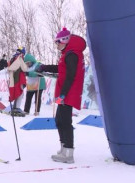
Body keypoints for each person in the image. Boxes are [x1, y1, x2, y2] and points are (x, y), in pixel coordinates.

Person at [35, 28, 86, 163]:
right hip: (65, 92)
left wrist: (63, 94)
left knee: (65, 121)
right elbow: (61, 68)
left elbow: (70, 76)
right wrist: (45, 67)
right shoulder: (67, 54)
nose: (56, 45)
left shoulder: (72, 55)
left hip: (68, 92)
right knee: (59, 119)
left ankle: (68, 153)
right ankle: (64, 148)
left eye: (57, 42)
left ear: (64, 41)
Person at [7, 47, 28, 117]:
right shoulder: (19, 57)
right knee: (20, 93)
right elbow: (24, 68)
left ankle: (15, 107)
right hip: (18, 79)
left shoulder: (13, 58)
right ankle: (17, 108)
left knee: (17, 93)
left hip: (14, 78)